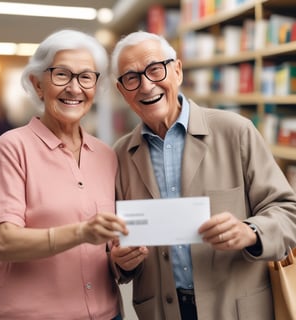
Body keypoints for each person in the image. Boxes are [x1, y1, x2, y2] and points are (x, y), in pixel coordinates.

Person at [110, 31, 296, 320]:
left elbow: (288, 212)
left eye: (155, 69)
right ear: (122, 91)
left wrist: (251, 231)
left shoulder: (236, 132)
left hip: (237, 309)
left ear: (178, 71)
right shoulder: (120, 155)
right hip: (163, 311)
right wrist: (121, 262)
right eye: (131, 78)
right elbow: (116, 245)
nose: (146, 86)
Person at [0, 29, 128, 320]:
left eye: (86, 77)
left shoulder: (106, 155)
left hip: (106, 313)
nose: (75, 88)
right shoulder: (13, 148)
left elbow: (108, 250)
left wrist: (122, 260)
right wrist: (81, 232)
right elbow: (5, 242)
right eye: (62, 74)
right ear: (38, 84)